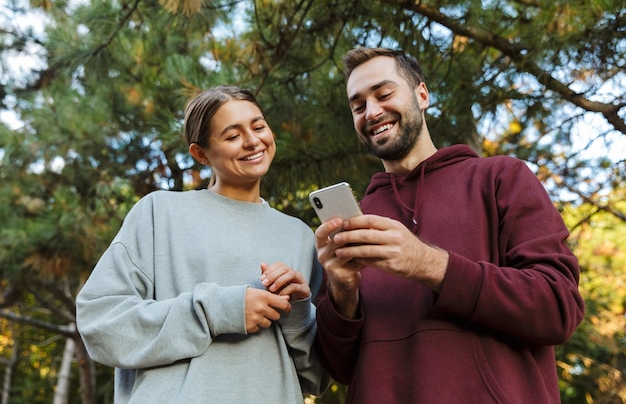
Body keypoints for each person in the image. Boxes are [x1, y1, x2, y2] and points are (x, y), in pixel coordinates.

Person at [314, 47, 585, 404]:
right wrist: (342, 293)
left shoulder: (502, 178)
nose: (372, 112)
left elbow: (558, 308)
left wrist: (428, 264)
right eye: (358, 105)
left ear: (422, 95)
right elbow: (340, 368)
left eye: (383, 94)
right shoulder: (356, 225)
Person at [76, 85, 329, 404]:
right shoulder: (159, 212)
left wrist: (297, 312)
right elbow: (100, 325)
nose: (253, 141)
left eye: (258, 126)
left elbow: (315, 377)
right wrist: (219, 310)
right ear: (201, 153)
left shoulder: (300, 236)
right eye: (233, 135)